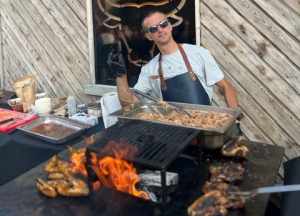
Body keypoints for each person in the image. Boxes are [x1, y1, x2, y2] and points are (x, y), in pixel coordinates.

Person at [107, 10, 242, 135]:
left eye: (163, 24)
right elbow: (129, 104)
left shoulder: (199, 53)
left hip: (206, 130)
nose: (160, 29)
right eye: (153, 29)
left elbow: (226, 86)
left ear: (170, 26)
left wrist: (234, 121)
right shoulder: (149, 69)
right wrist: (120, 75)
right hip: (171, 135)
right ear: (148, 36)